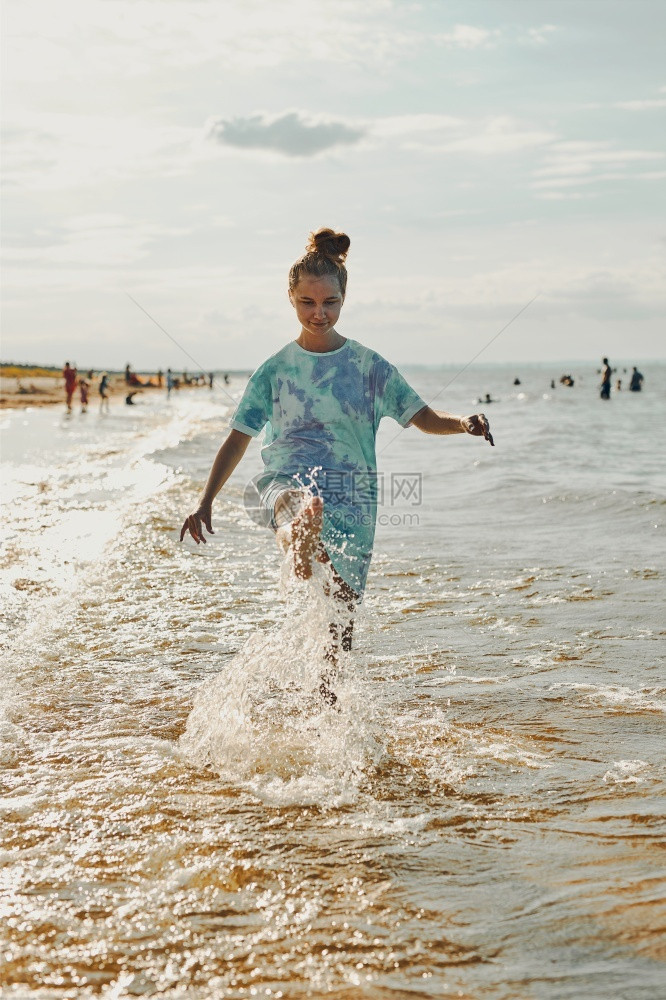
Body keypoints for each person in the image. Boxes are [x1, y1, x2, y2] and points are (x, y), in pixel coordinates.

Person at [180, 228, 493, 696]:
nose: (319, 313)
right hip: (290, 475)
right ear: (291, 299)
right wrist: (205, 500)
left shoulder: (370, 367)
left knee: (340, 626)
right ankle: (299, 539)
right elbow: (237, 438)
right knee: (289, 501)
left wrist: (463, 422)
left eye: (329, 302)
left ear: (344, 299)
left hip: (352, 498)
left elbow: (423, 417)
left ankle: (328, 709)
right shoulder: (276, 370)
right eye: (308, 302)